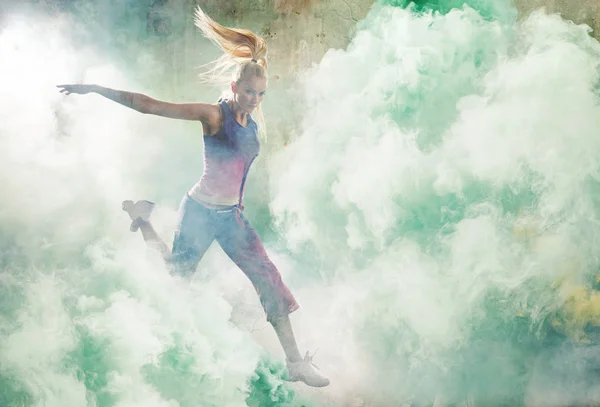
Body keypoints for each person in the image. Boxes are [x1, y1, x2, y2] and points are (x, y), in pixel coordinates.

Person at [57, 6, 329, 388]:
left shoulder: (252, 123)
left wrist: (238, 201)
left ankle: (295, 361)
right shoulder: (214, 116)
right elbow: (150, 105)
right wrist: (96, 89)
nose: (254, 99)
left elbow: (241, 168)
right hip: (200, 211)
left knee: (269, 279)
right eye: (249, 92)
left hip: (231, 216)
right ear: (234, 88)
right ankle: (144, 219)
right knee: (175, 278)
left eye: (261, 94)